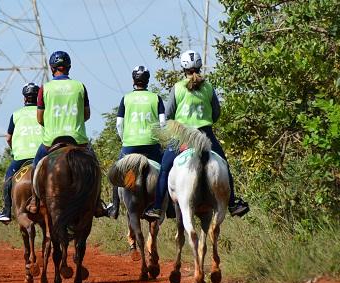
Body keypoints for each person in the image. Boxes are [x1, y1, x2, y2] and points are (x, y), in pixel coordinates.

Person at [144, 50, 250, 219]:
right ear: (199, 66)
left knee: (164, 168)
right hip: (206, 134)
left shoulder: (177, 88)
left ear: (183, 68)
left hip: (182, 135)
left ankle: (157, 207)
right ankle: (232, 203)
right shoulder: (208, 87)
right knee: (224, 164)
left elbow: (169, 113)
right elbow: (216, 113)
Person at [26, 50, 108, 217]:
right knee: (95, 167)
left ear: (52, 68)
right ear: (69, 67)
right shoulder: (80, 86)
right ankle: (98, 203)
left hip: (51, 140)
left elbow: (40, 118)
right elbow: (86, 115)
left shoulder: (45, 88)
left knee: (36, 165)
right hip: (78, 140)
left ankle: (34, 200)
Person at [106, 65, 165, 219]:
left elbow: (119, 124)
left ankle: (114, 207)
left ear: (133, 80)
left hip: (130, 145)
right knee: (166, 170)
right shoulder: (156, 98)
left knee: (117, 172)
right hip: (152, 146)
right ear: (147, 80)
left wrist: (124, 139)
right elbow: (163, 124)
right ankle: (169, 206)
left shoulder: (126, 98)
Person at [0, 82, 42, 223]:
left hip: (21, 157)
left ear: (24, 98)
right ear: (38, 97)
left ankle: (6, 211)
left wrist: (15, 149)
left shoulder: (16, 115)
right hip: (42, 155)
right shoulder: (43, 112)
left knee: (8, 179)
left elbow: (8, 138)